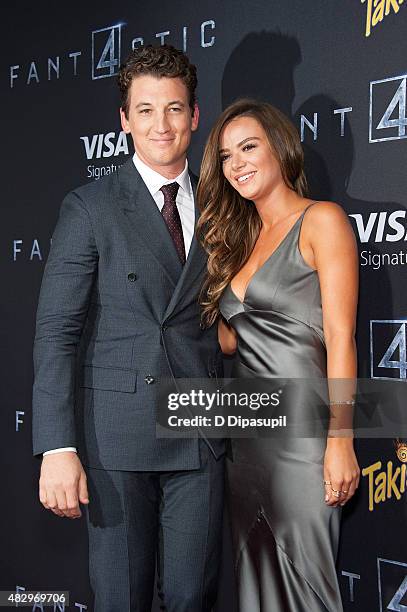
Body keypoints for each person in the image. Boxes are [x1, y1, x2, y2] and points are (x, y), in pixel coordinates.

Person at [32, 45, 225, 612]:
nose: (160, 125)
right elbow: (56, 331)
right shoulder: (89, 206)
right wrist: (57, 447)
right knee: (122, 598)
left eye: (173, 109)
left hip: (202, 427)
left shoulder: (224, 205)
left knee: (193, 597)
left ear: (194, 115)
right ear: (124, 121)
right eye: (145, 110)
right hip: (116, 437)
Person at [197, 98, 360, 612]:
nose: (237, 164)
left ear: (281, 148)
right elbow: (231, 341)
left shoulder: (321, 221)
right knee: (256, 580)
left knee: (309, 586)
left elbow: (340, 337)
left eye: (249, 147)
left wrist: (341, 440)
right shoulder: (239, 240)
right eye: (225, 156)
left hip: (303, 441)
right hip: (246, 442)